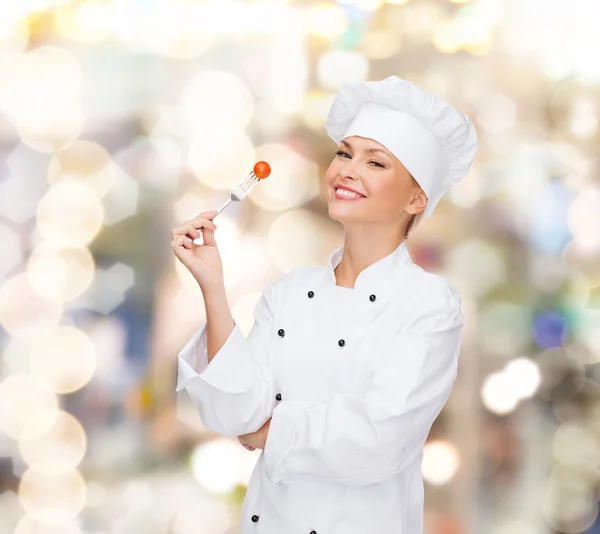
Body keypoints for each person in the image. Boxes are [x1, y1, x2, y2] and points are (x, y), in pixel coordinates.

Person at [171, 75, 477, 534]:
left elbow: (378, 439)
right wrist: (213, 285)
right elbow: (233, 412)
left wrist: (269, 432)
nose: (347, 170)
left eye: (376, 162)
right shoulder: (289, 292)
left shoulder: (430, 305)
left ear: (417, 197)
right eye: (344, 153)